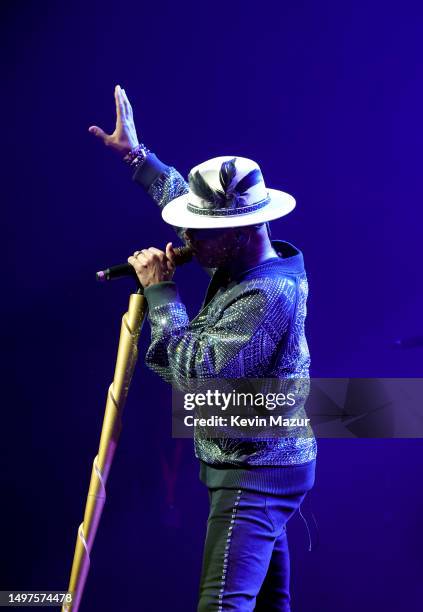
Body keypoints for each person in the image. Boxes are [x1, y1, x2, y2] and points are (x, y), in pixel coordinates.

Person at [89, 84, 317, 611]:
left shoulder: (267, 293)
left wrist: (162, 293)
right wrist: (137, 157)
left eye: (198, 232)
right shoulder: (242, 255)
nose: (185, 239)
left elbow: (197, 377)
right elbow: (180, 198)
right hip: (265, 460)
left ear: (237, 232)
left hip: (255, 471)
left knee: (221, 606)